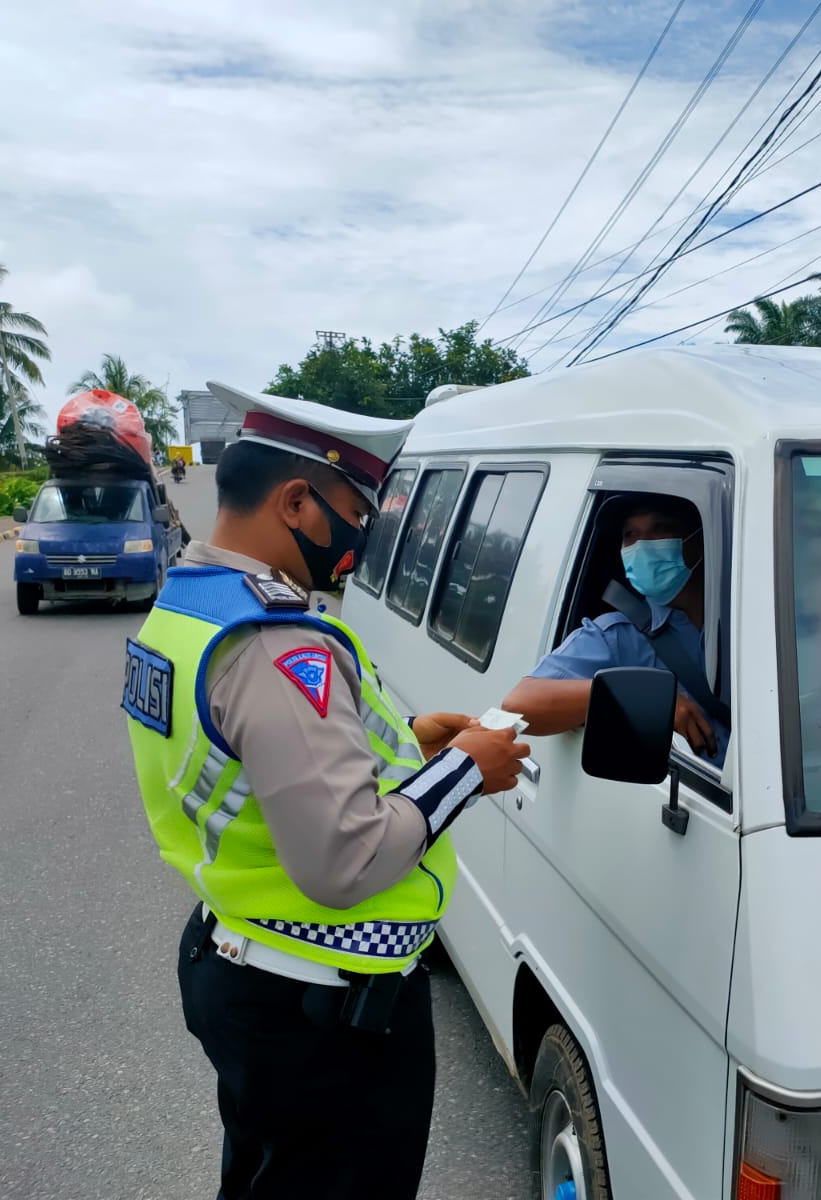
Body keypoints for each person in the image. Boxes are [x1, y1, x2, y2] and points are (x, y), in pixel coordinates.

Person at [121, 382, 529, 1200]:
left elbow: (248, 752)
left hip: (241, 960)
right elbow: (343, 860)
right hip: (320, 1008)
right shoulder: (274, 643)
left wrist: (411, 745)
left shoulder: (192, 602)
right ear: (297, 501)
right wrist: (466, 771)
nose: (358, 537)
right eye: (355, 512)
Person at [503, 494, 730, 766]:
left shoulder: (750, 616)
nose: (642, 544)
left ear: (699, 539)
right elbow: (519, 705)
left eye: (660, 528)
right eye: (630, 534)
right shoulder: (617, 636)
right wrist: (648, 698)